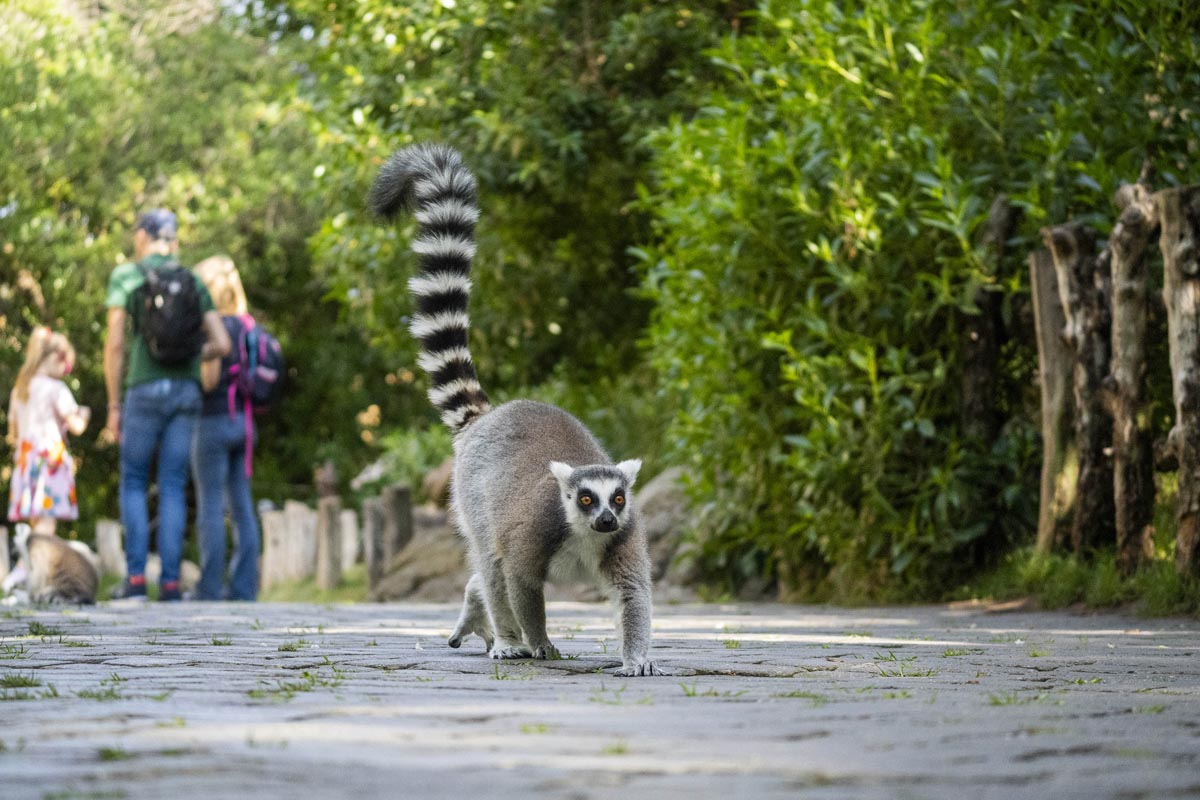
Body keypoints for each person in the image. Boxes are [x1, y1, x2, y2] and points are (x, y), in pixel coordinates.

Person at [102, 209, 231, 601]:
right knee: (174, 484)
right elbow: (222, 344)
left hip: (143, 389)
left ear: (142, 236)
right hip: (187, 391)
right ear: (172, 239)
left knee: (135, 481)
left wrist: (112, 405)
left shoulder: (127, 276)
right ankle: (171, 583)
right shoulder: (191, 279)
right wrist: (193, 354)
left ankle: (137, 580)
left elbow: (116, 344)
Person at [192, 255, 261, 601]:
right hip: (244, 425)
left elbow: (210, 380)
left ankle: (209, 586)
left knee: (210, 505)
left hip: (213, 423)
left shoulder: (214, 326)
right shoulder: (247, 325)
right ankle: (245, 587)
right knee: (242, 505)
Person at [7, 328, 90, 535]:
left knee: (37, 523)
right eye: (68, 366)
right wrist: (84, 414)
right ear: (57, 358)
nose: (66, 371)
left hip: (26, 461)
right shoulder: (56, 389)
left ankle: (32, 564)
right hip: (49, 463)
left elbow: (13, 430)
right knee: (46, 526)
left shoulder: (20, 389)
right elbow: (77, 427)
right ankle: (40, 566)